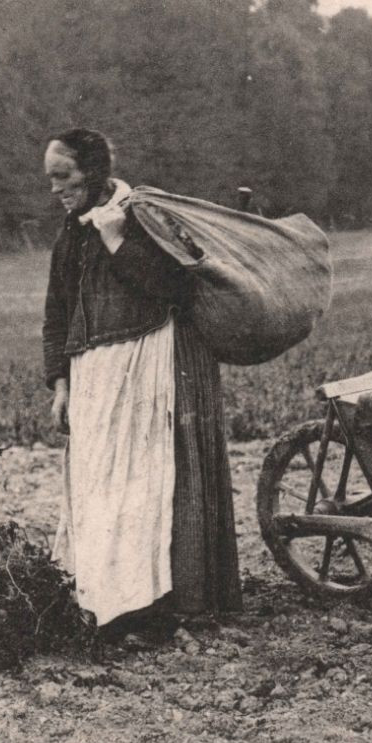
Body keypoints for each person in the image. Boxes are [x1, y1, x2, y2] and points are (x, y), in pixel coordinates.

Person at [41, 129, 242, 637]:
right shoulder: (69, 231)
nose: (55, 190)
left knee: (140, 487)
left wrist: (115, 242)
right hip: (92, 377)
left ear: (92, 172)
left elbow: (173, 288)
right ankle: (104, 600)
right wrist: (60, 382)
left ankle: (145, 606)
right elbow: (57, 312)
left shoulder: (139, 215)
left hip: (143, 366)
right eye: (50, 180)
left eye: (62, 177)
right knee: (97, 486)